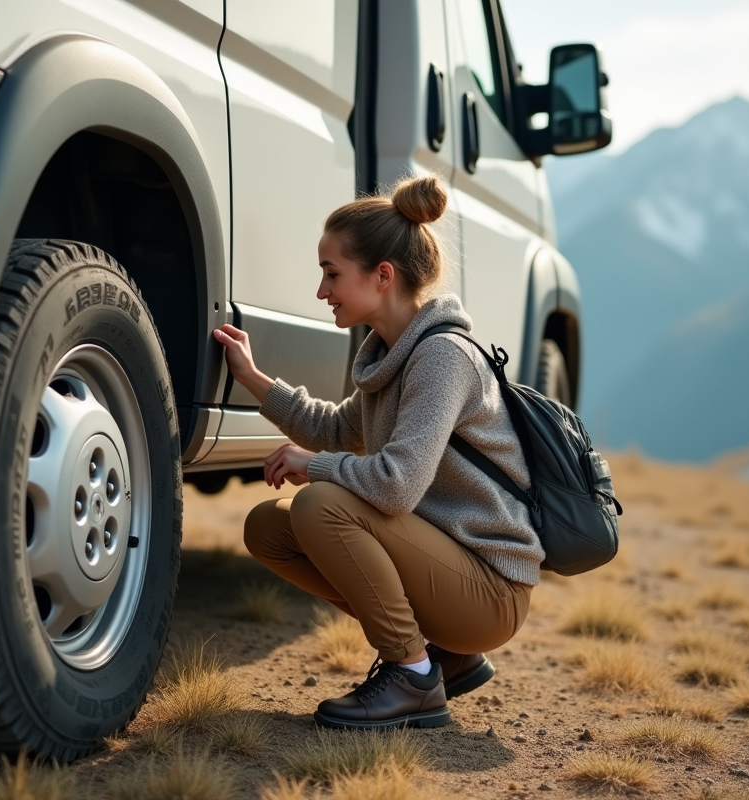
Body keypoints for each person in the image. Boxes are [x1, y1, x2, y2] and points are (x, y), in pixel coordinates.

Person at [212, 174, 543, 730]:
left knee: (321, 505)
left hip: (491, 590)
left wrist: (313, 467)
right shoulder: (391, 355)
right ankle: (443, 656)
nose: (322, 291)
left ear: (382, 275)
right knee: (269, 528)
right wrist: (251, 378)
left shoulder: (443, 356)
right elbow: (336, 429)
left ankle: (413, 674)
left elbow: (397, 486)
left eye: (332, 273)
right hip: (450, 568)